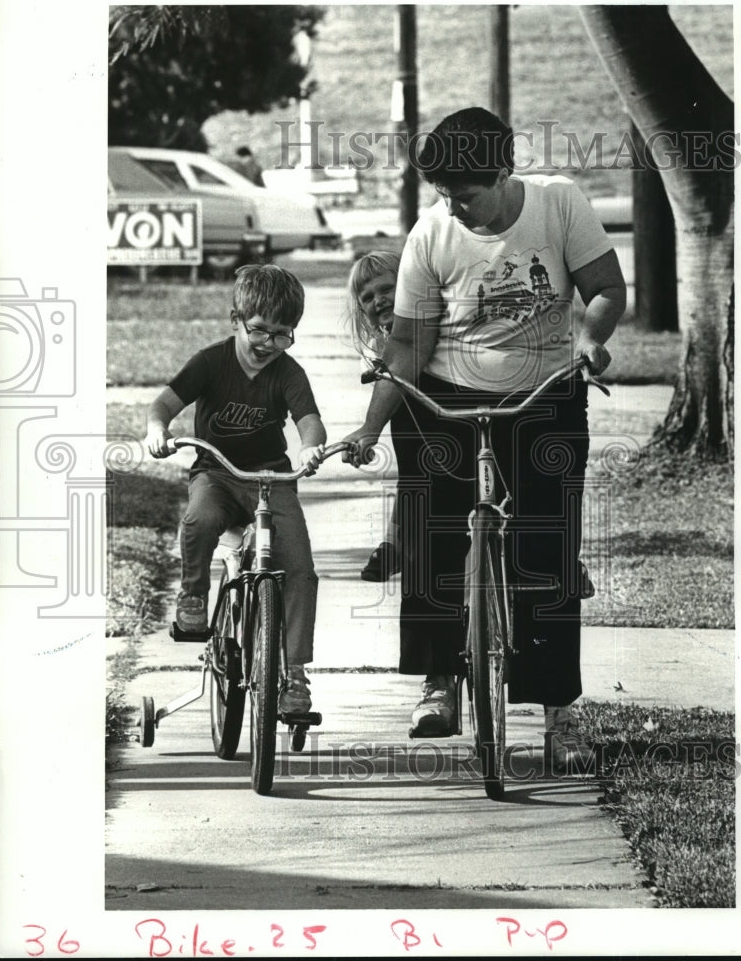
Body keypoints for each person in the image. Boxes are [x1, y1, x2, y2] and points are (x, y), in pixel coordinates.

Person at [343, 107, 626, 769]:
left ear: (502, 172)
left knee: (547, 550)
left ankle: (560, 712)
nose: (454, 208)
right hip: (445, 401)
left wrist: (591, 339)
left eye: (464, 194)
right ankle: (437, 680)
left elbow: (606, 288)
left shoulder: (559, 204)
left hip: (544, 398)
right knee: (430, 532)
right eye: (443, 195)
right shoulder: (432, 234)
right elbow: (409, 345)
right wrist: (371, 424)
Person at [145, 263, 326, 715]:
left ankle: (295, 675)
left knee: (300, 568)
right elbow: (164, 403)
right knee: (199, 518)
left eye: (282, 334)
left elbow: (309, 420)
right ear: (235, 320)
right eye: (259, 330)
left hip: (270, 479)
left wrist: (310, 448)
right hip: (217, 473)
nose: (268, 344)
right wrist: (156, 429)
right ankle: (192, 596)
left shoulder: (289, 373)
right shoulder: (212, 361)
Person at [345, 251, 403, 581]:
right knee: (415, 474)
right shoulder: (380, 344)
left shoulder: (432, 321)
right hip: (425, 431)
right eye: (367, 297)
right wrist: (370, 430)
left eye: (386, 289)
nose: (378, 301)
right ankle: (395, 543)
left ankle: (559, 558)